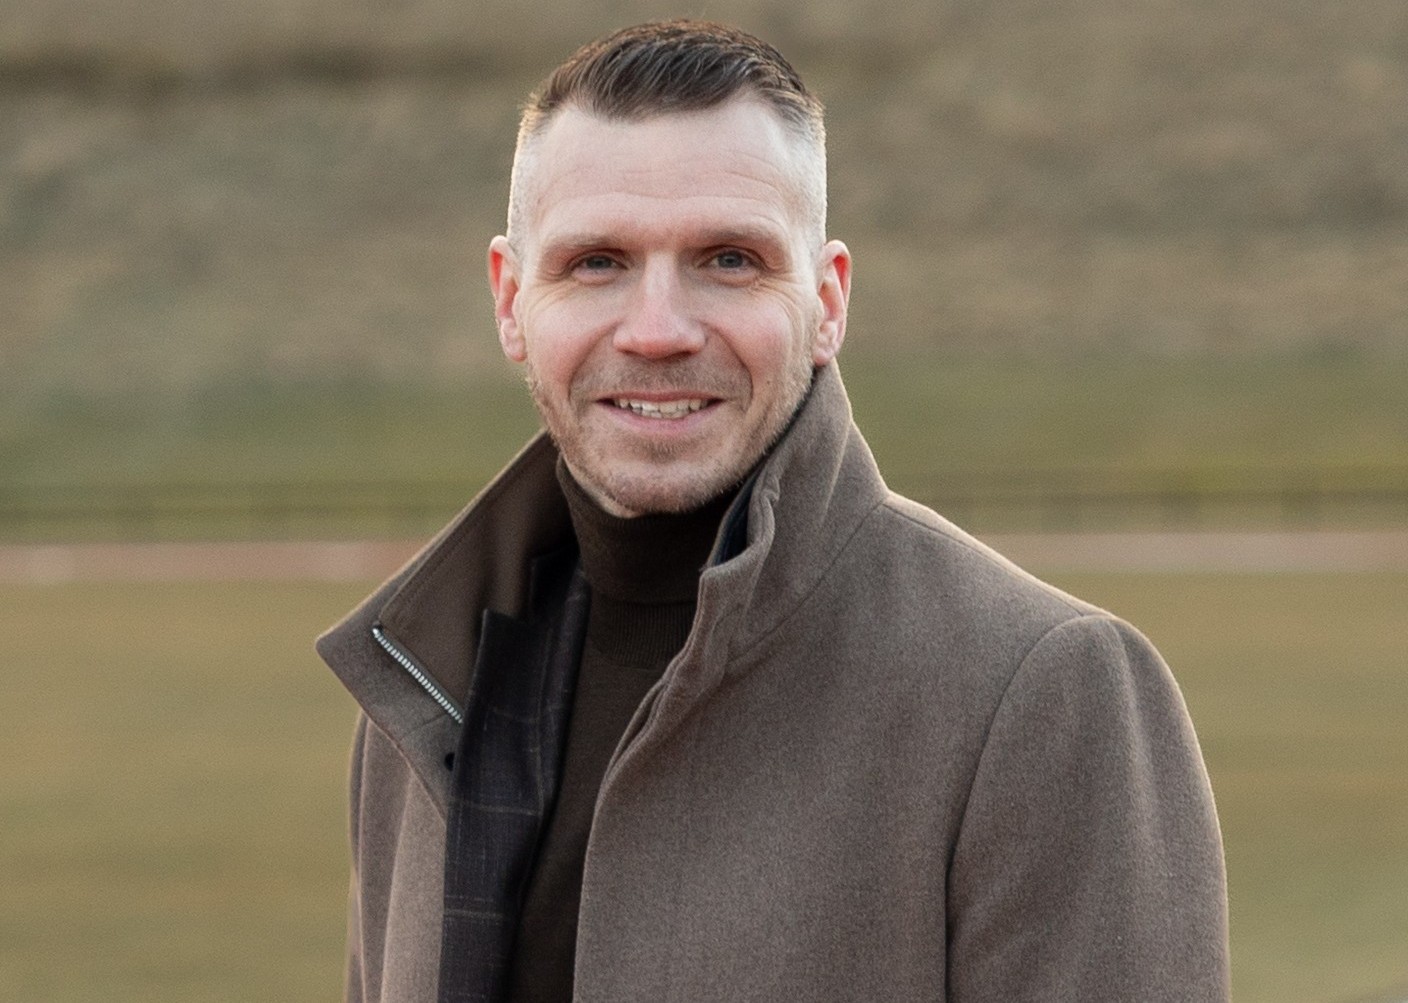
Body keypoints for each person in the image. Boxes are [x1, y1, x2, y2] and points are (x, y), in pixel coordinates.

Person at [317, 19, 1229, 1003]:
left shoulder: (1044, 694)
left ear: (827, 301)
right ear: (510, 300)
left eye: (729, 260)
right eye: (596, 263)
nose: (657, 330)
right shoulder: (429, 686)